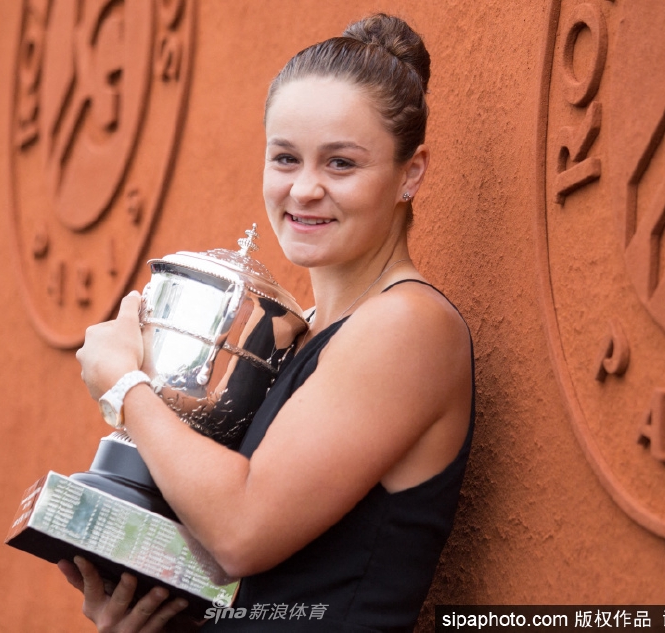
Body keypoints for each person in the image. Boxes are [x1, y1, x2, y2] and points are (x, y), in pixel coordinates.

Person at [62, 13, 475, 632]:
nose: (304, 189)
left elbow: (241, 533)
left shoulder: (408, 326)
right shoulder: (304, 331)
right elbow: (255, 585)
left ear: (410, 173)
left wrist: (124, 386)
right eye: (285, 158)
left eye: (341, 164)